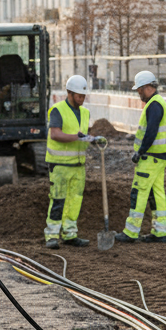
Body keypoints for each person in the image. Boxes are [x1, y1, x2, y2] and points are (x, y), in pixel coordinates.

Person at [44, 74, 107, 249]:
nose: (82, 99)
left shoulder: (85, 112)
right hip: (60, 165)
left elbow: (83, 135)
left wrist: (92, 140)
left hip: (79, 165)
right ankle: (51, 235)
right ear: (70, 93)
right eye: (79, 96)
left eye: (84, 96)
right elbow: (55, 134)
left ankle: (70, 234)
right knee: (57, 200)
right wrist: (77, 137)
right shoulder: (58, 110)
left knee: (74, 201)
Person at [119, 71, 166, 244]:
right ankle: (159, 231)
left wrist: (140, 152)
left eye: (139, 90)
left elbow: (151, 132)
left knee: (140, 191)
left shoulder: (154, 105)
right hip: (160, 157)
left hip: (150, 157)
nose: (138, 94)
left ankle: (131, 231)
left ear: (146, 87)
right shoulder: (158, 103)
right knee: (157, 193)